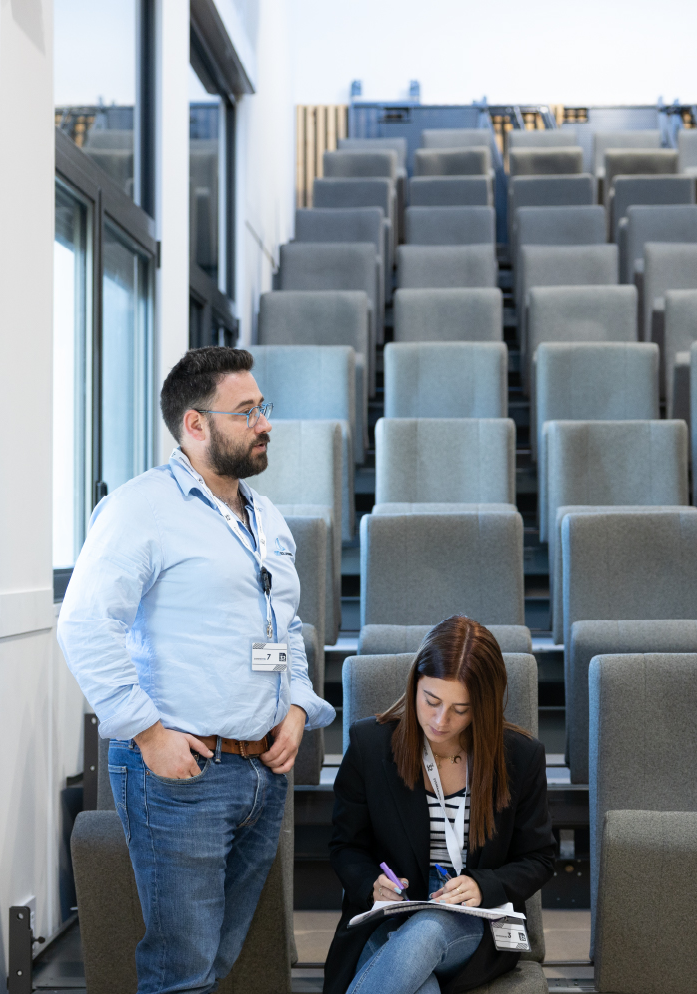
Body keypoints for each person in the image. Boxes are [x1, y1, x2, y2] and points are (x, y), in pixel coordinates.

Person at [58, 346, 335, 994]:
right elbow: (84, 624)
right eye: (246, 412)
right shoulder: (140, 509)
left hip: (262, 772)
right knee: (179, 969)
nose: (265, 423)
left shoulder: (263, 518)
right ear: (194, 424)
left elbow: (278, 631)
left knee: (213, 961)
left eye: (262, 407)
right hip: (183, 774)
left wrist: (295, 705)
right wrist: (148, 734)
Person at [325, 616, 555, 994]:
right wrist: (370, 883)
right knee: (422, 986)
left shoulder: (520, 757)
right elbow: (345, 846)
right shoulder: (370, 745)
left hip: (476, 922)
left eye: (460, 709)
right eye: (431, 701)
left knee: (429, 930)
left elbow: (540, 858)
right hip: (392, 915)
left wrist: (484, 884)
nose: (440, 720)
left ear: (484, 705)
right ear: (415, 683)